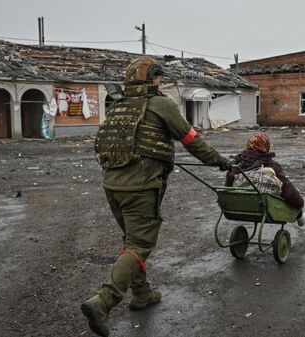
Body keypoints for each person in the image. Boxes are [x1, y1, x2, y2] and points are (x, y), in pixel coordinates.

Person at [82, 57, 232, 337]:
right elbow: (191, 140)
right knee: (139, 245)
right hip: (141, 187)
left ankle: (142, 294)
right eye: (158, 78)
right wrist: (221, 161)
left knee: (131, 242)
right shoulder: (161, 104)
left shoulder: (118, 107)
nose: (160, 82)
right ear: (152, 79)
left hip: (112, 186)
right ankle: (103, 301)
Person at [225, 132, 305, 225]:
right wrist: (300, 202)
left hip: (238, 205)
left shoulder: (236, 163)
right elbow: (288, 191)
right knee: (287, 193)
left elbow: (228, 185)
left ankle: (300, 215)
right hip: (264, 206)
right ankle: (300, 216)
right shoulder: (270, 165)